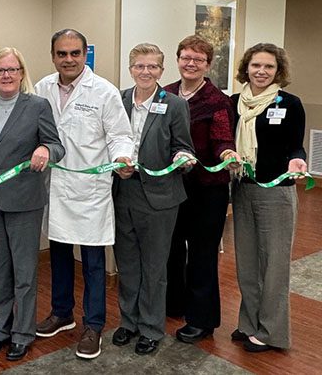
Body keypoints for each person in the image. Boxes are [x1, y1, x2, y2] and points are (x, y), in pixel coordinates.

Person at [33, 29, 134, 360]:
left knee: (92, 263)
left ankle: (93, 326)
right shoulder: (42, 88)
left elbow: (120, 134)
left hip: (90, 192)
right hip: (55, 188)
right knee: (58, 256)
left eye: (75, 53)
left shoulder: (103, 92)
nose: (68, 60)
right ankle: (62, 313)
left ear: (85, 54)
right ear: (53, 56)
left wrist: (122, 158)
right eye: (62, 54)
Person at [0, 47, 65, 361]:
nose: (6, 76)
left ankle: (23, 333)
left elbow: (56, 145)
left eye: (12, 69)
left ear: (22, 73)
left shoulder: (37, 105)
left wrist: (46, 151)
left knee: (24, 272)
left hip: (24, 200)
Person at [112, 43, 195, 355]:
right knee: (127, 262)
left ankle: (150, 328)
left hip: (160, 196)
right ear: (131, 68)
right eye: (139, 66)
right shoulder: (118, 99)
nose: (145, 72)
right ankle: (128, 322)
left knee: (155, 266)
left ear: (162, 70)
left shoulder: (173, 104)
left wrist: (184, 156)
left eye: (152, 67)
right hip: (123, 191)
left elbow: (182, 145)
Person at [230, 43, 306, 353]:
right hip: (243, 189)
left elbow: (296, 145)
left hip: (276, 192)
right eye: (256, 65)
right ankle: (249, 324)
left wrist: (297, 160)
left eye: (269, 67)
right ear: (246, 68)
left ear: (278, 71)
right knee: (246, 263)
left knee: (274, 265)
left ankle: (272, 331)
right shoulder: (235, 103)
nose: (261, 71)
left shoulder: (289, 103)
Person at [164, 35, 240, 344]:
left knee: (201, 254)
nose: (191, 63)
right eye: (186, 57)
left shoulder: (216, 100)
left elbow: (222, 138)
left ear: (208, 64)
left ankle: (202, 320)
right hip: (172, 187)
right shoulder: (166, 93)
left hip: (207, 191)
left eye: (198, 59)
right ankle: (175, 303)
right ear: (178, 59)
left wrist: (227, 154)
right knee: (171, 249)